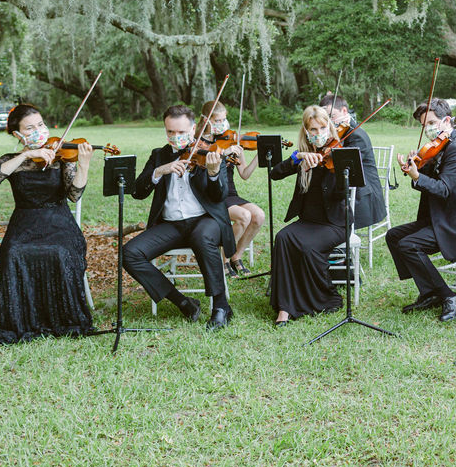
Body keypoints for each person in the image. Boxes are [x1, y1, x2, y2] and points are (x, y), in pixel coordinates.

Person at [0, 104, 94, 343]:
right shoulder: (11, 160)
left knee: (60, 251)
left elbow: (74, 195)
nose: (39, 130)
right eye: (30, 128)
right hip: (25, 222)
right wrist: (27, 155)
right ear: (18, 135)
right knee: (13, 252)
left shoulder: (62, 157)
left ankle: (61, 317)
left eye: (41, 124)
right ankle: (19, 318)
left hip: (58, 221)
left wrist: (83, 164)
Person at [124, 104, 235, 330]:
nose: (176, 137)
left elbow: (220, 196)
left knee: (202, 237)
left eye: (182, 132)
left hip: (206, 220)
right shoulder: (159, 155)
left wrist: (213, 174)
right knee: (130, 253)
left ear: (194, 129)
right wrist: (159, 171)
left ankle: (221, 307)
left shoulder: (210, 152)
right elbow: (137, 191)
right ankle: (183, 302)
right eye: (170, 132)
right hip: (171, 225)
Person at [387, 98, 456, 323]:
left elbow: (444, 189)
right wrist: (417, 166)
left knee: (408, 245)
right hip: (440, 217)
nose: (428, 128)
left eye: (431, 122)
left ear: (447, 120)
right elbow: (431, 183)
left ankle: (448, 297)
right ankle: (429, 292)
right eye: (424, 125)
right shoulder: (440, 147)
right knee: (394, 236)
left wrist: (418, 176)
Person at [268, 106, 349, 325]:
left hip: (335, 223)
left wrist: (337, 170)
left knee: (307, 247)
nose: (319, 133)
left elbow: (343, 195)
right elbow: (275, 173)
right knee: (283, 238)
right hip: (308, 221)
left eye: (323, 127)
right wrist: (298, 158)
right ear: (306, 130)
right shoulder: (303, 155)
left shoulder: (338, 152)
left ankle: (325, 298)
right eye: (314, 129)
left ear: (329, 127)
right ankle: (284, 308)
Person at [198, 100, 264, 277]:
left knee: (258, 216)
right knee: (244, 216)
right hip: (211, 195)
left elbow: (244, 174)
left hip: (230, 194)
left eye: (224, 120)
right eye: (217, 120)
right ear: (207, 121)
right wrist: (221, 154)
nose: (222, 124)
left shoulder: (232, 141)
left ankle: (236, 256)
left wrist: (260, 154)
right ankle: (223, 259)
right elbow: (199, 168)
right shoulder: (199, 143)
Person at [319, 93, 387, 232]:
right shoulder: (335, 134)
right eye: (325, 118)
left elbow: (346, 168)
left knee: (325, 210)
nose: (329, 122)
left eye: (331, 116)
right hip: (344, 188)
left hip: (363, 194)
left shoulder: (356, 135)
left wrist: (330, 152)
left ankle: (332, 241)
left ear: (344, 111)